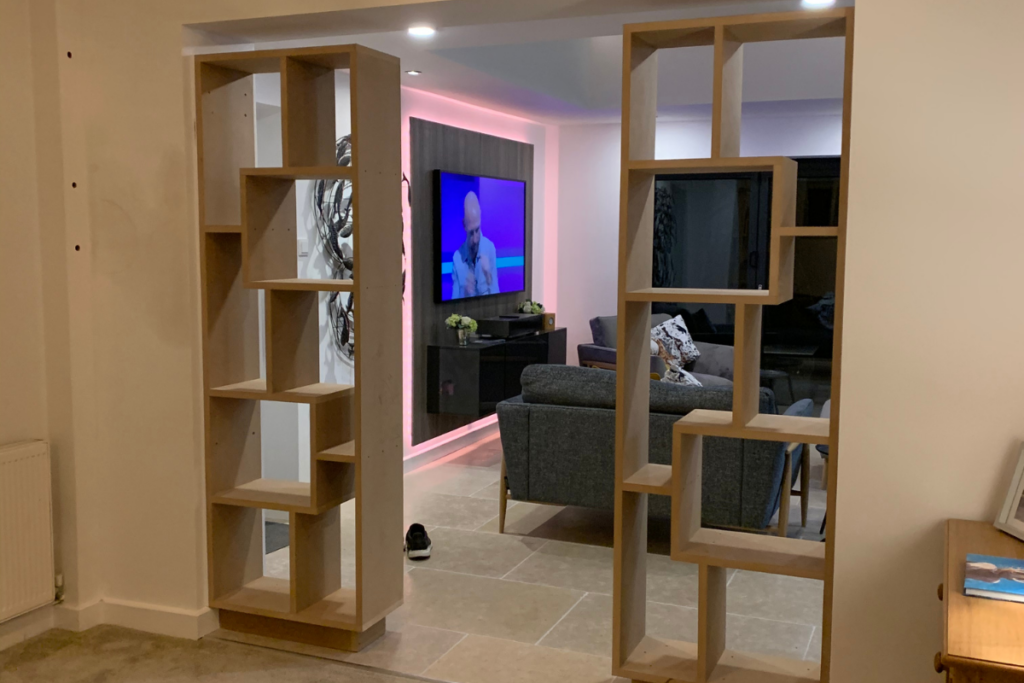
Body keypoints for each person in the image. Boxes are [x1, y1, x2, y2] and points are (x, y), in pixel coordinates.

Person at [451, 191, 499, 299]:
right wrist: (465, 293)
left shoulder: (490, 248)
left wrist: (488, 277)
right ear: (464, 225)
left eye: (477, 230)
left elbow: (498, 299)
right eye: (471, 232)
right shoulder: (457, 258)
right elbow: (452, 308)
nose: (475, 239)